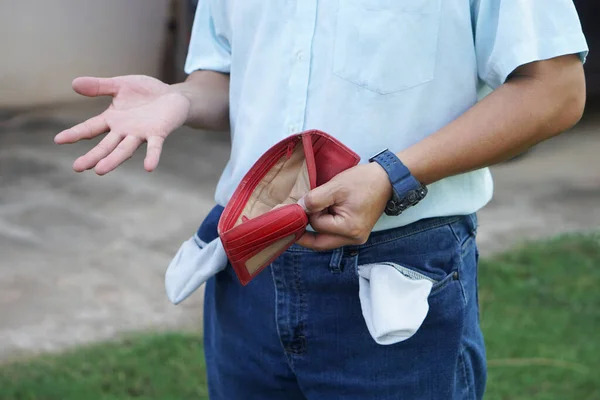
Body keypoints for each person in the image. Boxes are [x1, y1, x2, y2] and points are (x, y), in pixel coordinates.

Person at [54, 1, 588, 398]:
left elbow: (555, 90)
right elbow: (226, 79)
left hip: (398, 275)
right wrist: (181, 97)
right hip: (248, 267)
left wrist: (391, 175)